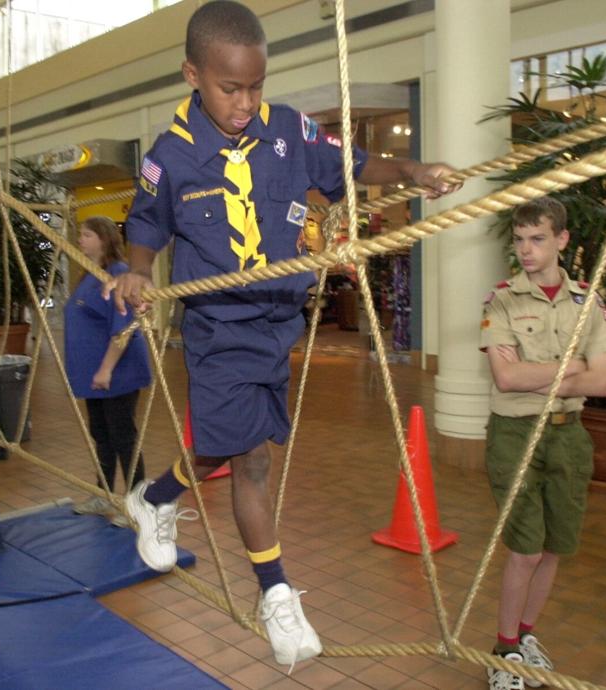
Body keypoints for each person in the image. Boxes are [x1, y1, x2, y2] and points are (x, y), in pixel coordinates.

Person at [105, 0, 461, 668]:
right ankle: (275, 595)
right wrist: (137, 272)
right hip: (217, 326)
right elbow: (146, 228)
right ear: (193, 75)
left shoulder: (290, 132)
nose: (244, 102)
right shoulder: (172, 156)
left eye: (255, 85)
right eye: (229, 88)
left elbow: (352, 167)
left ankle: (152, 497)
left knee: (222, 449)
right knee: (252, 462)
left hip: (278, 323)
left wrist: (413, 173)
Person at [480, 197, 606, 690]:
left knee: (556, 545)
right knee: (525, 550)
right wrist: (574, 367)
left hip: (569, 436)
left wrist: (548, 377)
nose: (526, 249)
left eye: (537, 238)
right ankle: (504, 650)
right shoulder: (502, 300)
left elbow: (602, 383)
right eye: (519, 240)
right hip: (515, 434)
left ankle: (528, 636)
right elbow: (507, 378)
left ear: (561, 239)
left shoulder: (588, 303)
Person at [64, 217, 151, 522]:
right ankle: (104, 494)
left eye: (86, 234)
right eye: (80, 233)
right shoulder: (90, 274)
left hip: (117, 372)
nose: (80, 239)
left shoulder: (118, 275)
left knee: (123, 436)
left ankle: (140, 505)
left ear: (103, 238)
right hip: (96, 375)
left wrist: (105, 369)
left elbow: (123, 328)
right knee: (101, 434)